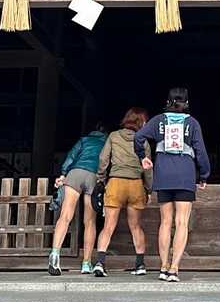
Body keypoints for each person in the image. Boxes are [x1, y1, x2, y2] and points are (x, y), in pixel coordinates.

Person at [134, 87, 210, 283]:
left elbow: (138, 137)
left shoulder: (158, 120)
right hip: (185, 175)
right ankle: (174, 269)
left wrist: (143, 157)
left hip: (163, 174)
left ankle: (163, 267)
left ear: (168, 101)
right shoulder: (192, 123)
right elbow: (200, 151)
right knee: (182, 222)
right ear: (187, 103)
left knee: (165, 222)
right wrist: (204, 175)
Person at [93, 107, 152, 277]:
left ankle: (100, 263)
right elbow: (147, 168)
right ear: (141, 122)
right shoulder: (143, 141)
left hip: (116, 183)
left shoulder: (113, 136)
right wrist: (148, 189)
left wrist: (101, 179)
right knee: (136, 226)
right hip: (135, 185)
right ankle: (140, 265)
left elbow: (103, 159)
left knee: (108, 226)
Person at [47, 122, 107, 276]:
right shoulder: (108, 141)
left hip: (75, 173)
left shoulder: (84, 140)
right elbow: (107, 161)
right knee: (90, 222)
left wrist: (63, 174)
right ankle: (86, 263)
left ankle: (55, 254)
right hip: (93, 175)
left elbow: (71, 157)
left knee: (65, 216)